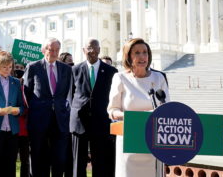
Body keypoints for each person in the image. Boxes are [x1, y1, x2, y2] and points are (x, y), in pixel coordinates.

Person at [107, 38, 170, 177]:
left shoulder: (159, 78)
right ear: (129, 57)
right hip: (129, 142)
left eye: (145, 52)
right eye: (137, 53)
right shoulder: (120, 78)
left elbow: (167, 109)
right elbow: (112, 111)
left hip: (154, 143)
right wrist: (135, 117)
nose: (142, 56)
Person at [23, 38, 72, 177]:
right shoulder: (33, 67)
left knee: (59, 160)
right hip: (39, 120)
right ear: (44, 50)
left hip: (59, 121)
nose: (54, 53)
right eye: (51, 49)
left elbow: (66, 93)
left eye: (57, 50)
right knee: (39, 159)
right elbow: (27, 93)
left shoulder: (66, 69)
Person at [70, 39, 117, 177]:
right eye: (89, 48)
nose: (92, 51)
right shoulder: (75, 70)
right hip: (79, 122)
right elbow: (70, 95)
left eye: (95, 48)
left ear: (99, 50)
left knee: (101, 163)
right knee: (78, 163)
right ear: (84, 51)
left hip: (101, 122)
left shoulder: (111, 71)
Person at [14, 61, 30, 177]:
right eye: (16, 67)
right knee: (11, 159)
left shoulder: (27, 87)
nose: (19, 69)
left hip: (25, 130)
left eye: (21, 68)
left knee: (25, 160)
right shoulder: (11, 86)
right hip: (13, 129)